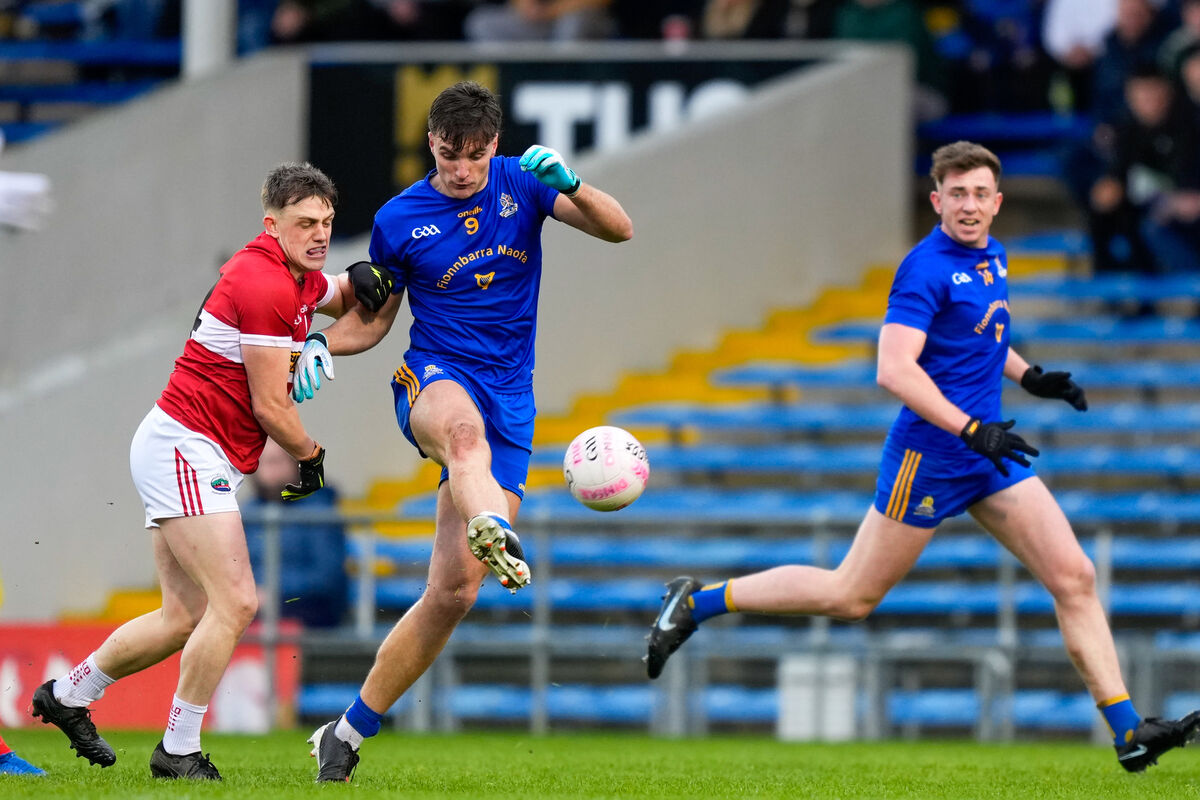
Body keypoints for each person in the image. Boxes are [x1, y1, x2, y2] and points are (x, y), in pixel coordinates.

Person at [646, 141, 1200, 773]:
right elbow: (894, 368)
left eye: (980, 194)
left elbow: (976, 337)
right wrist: (970, 428)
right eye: (956, 194)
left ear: (998, 202)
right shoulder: (925, 268)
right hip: (932, 454)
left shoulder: (992, 255)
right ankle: (697, 602)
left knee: (1074, 577)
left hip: (986, 452)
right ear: (937, 200)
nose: (969, 205)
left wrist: (1029, 375)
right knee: (851, 596)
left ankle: (1128, 732)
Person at [291, 80, 632, 782]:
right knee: (464, 439)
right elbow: (375, 317)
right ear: (432, 145)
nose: (462, 170)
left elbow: (618, 228)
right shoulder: (399, 218)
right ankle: (493, 524)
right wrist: (324, 341)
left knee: (453, 594)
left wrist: (574, 183)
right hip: (435, 376)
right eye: (450, 155)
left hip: (512, 398)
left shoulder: (523, 184)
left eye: (475, 156)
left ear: (494, 145)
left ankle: (345, 733)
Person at [29, 162, 355, 780]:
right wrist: (312, 458)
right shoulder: (265, 282)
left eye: (328, 222)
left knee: (181, 618)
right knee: (237, 602)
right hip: (186, 445)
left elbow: (343, 294)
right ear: (272, 225)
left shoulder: (294, 273)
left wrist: (372, 279)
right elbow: (271, 406)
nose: (319, 234)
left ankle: (68, 694)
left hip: (183, 445)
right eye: (305, 222)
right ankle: (177, 749)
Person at [242, 438, 349, 629]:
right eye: (261, 462)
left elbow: (326, 578)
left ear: (294, 464)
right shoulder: (246, 512)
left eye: (275, 461)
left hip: (306, 607)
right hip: (253, 604)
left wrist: (271, 592)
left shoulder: (320, 512)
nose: (268, 471)